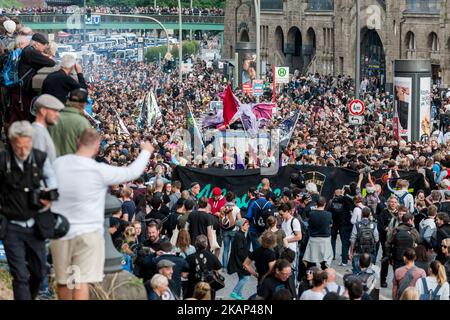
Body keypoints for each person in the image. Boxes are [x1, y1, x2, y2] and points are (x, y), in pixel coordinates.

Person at [50, 128, 154, 300]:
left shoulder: (59, 164)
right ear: (98, 147)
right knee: (82, 281)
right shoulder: (98, 170)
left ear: (77, 142)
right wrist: (146, 151)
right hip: (88, 235)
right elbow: (132, 172)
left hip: (61, 232)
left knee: (65, 281)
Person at [0, 121, 57, 300]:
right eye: (19, 147)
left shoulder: (40, 158)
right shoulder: (3, 161)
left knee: (39, 273)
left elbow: (53, 180)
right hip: (11, 225)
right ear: (11, 142)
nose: (23, 151)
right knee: (20, 275)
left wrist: (49, 196)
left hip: (36, 224)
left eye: (27, 146)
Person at [9, 33, 56, 123]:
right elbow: (51, 63)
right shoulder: (31, 52)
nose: (44, 49)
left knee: (17, 117)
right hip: (22, 92)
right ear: (37, 44)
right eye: (44, 46)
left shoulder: (27, 50)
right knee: (22, 118)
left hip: (18, 89)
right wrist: (45, 56)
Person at [48, 88, 92, 157]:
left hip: (52, 164)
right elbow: (88, 151)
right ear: (84, 104)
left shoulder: (52, 117)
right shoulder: (83, 123)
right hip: (72, 165)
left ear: (68, 101)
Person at [185, 235, 222, 299]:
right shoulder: (212, 257)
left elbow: (184, 274)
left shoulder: (189, 258)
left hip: (193, 288)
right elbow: (219, 269)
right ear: (206, 244)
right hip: (208, 288)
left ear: (195, 244)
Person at [31, 94, 64, 163]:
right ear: (43, 111)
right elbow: (39, 164)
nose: (57, 114)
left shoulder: (40, 130)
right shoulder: (38, 133)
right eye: (54, 111)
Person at [303, 197, 333, 270]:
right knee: (325, 261)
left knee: (311, 261)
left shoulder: (311, 214)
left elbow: (309, 225)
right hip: (325, 239)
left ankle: (310, 276)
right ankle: (324, 277)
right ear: (325, 204)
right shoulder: (329, 214)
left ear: (317, 204)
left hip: (314, 239)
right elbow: (331, 225)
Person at [349, 207, 379, 274]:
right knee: (369, 271)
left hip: (359, 250)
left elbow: (353, 239)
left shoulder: (356, 225)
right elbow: (376, 239)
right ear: (369, 215)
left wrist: (351, 252)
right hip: (370, 251)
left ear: (361, 214)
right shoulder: (373, 225)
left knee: (356, 271)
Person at [228, 219, 250, 300]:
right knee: (246, 277)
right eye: (247, 224)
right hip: (239, 261)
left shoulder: (240, 234)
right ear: (242, 226)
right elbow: (240, 251)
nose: (248, 226)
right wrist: (246, 260)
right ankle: (234, 292)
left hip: (237, 260)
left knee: (241, 277)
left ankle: (239, 295)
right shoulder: (239, 236)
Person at [280, 202, 302, 276]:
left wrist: (286, 240)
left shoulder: (294, 221)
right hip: (284, 250)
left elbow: (299, 237)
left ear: (286, 211)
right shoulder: (283, 221)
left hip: (292, 251)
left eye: (281, 214)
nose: (280, 216)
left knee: (292, 271)